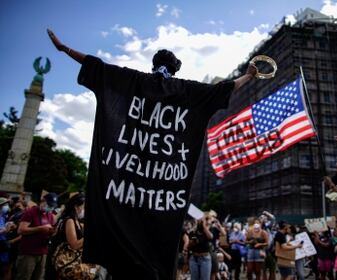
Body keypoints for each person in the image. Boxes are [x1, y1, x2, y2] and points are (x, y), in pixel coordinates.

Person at [47, 29, 257, 279]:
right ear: (174, 68)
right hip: (163, 192)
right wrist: (250, 76)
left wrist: (65, 49)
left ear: (154, 64)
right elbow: (224, 88)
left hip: (125, 183)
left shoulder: (133, 80)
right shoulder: (185, 90)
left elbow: (99, 68)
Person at [51, 193, 98, 279]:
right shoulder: (70, 220)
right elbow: (74, 244)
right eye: (84, 207)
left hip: (73, 261)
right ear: (76, 206)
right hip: (67, 261)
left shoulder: (77, 221)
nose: (85, 210)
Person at [15, 192, 57, 280]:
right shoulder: (31, 212)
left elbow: (50, 229)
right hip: (28, 253)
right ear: (43, 201)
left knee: (39, 277)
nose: (50, 207)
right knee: (24, 277)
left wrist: (52, 231)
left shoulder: (50, 215)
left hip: (43, 252)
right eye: (49, 204)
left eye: (52, 205)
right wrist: (40, 228)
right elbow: (20, 230)